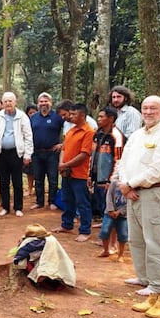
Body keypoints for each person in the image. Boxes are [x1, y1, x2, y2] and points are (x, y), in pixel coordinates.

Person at [115, 95, 160, 318]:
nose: (148, 112)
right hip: (132, 193)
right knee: (137, 239)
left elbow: (157, 169)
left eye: (153, 108)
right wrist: (124, 185)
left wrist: (131, 184)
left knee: (156, 241)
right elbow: (123, 162)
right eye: (145, 108)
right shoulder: (136, 135)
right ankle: (146, 281)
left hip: (154, 193)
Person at [52, 103, 95, 242]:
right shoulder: (71, 130)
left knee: (82, 202)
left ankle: (85, 230)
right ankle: (67, 224)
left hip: (80, 173)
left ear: (82, 115)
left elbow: (84, 154)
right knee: (67, 199)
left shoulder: (88, 131)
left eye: (74, 114)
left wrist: (66, 164)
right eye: (70, 114)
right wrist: (61, 163)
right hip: (66, 172)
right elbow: (64, 148)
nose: (70, 117)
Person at [0, 92, 34, 217]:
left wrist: (27, 154)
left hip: (16, 153)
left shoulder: (22, 116)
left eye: (10, 101)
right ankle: (5, 207)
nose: (8, 103)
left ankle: (18, 207)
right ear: (2, 104)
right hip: (1, 153)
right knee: (3, 181)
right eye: (5, 101)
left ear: (15, 102)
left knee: (17, 181)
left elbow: (28, 136)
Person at [30, 93, 65, 210]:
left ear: (51, 103)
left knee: (53, 179)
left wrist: (62, 144)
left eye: (46, 101)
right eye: (41, 101)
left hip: (52, 153)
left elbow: (68, 131)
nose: (43, 104)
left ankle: (52, 201)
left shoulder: (57, 117)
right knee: (38, 178)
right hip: (37, 153)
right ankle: (39, 202)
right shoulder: (33, 118)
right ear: (37, 103)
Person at [89, 107, 125, 223]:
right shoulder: (97, 134)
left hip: (108, 178)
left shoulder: (116, 136)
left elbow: (119, 160)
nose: (98, 119)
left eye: (101, 117)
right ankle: (102, 225)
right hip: (97, 176)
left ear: (111, 119)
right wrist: (90, 174)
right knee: (99, 202)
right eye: (98, 117)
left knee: (109, 205)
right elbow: (92, 155)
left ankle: (108, 232)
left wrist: (111, 180)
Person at [98, 181, 127, 262]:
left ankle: (120, 255)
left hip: (123, 215)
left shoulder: (131, 185)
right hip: (109, 213)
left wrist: (120, 211)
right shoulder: (114, 183)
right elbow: (109, 196)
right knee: (104, 231)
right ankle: (106, 250)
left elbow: (130, 202)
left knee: (123, 234)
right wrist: (110, 209)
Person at [23, 104, 38, 197]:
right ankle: (29, 189)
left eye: (34, 112)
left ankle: (38, 189)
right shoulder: (25, 122)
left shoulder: (39, 120)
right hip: (28, 149)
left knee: (39, 171)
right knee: (29, 171)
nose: (32, 114)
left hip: (39, 148)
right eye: (30, 113)